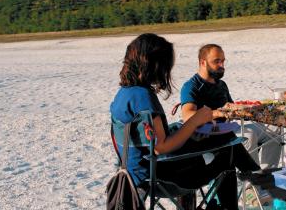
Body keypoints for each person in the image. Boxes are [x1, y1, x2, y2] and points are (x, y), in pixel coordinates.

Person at [110, 33, 259, 210]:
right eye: (166, 65)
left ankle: (251, 173)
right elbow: (162, 146)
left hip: (132, 169)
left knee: (214, 142)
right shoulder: (144, 98)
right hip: (159, 176)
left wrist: (188, 128)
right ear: (155, 64)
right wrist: (195, 121)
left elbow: (151, 141)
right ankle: (240, 193)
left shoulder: (124, 94)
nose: (167, 70)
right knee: (227, 152)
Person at [180, 44, 283, 170]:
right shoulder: (191, 86)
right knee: (248, 135)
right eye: (216, 61)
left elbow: (231, 108)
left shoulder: (221, 84)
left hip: (229, 127)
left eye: (223, 61)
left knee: (275, 130)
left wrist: (249, 108)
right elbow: (187, 116)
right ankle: (252, 183)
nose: (222, 66)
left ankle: (268, 174)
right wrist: (218, 113)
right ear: (203, 62)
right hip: (209, 133)